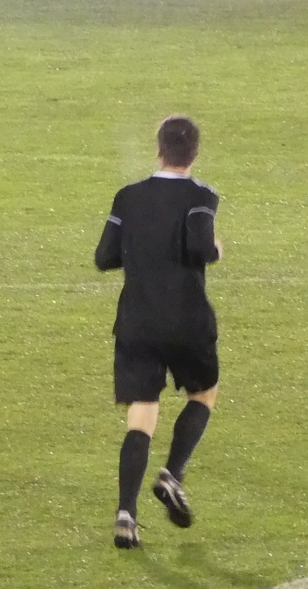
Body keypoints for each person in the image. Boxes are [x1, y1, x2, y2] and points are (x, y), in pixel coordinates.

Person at [94, 115, 222, 550]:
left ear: (159, 149)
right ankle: (172, 474)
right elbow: (200, 247)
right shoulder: (201, 195)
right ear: (195, 154)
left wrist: (141, 253)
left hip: (138, 321)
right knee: (203, 394)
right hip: (187, 320)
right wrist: (216, 249)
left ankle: (126, 515)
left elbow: (104, 256)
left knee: (142, 414)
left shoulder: (128, 197)